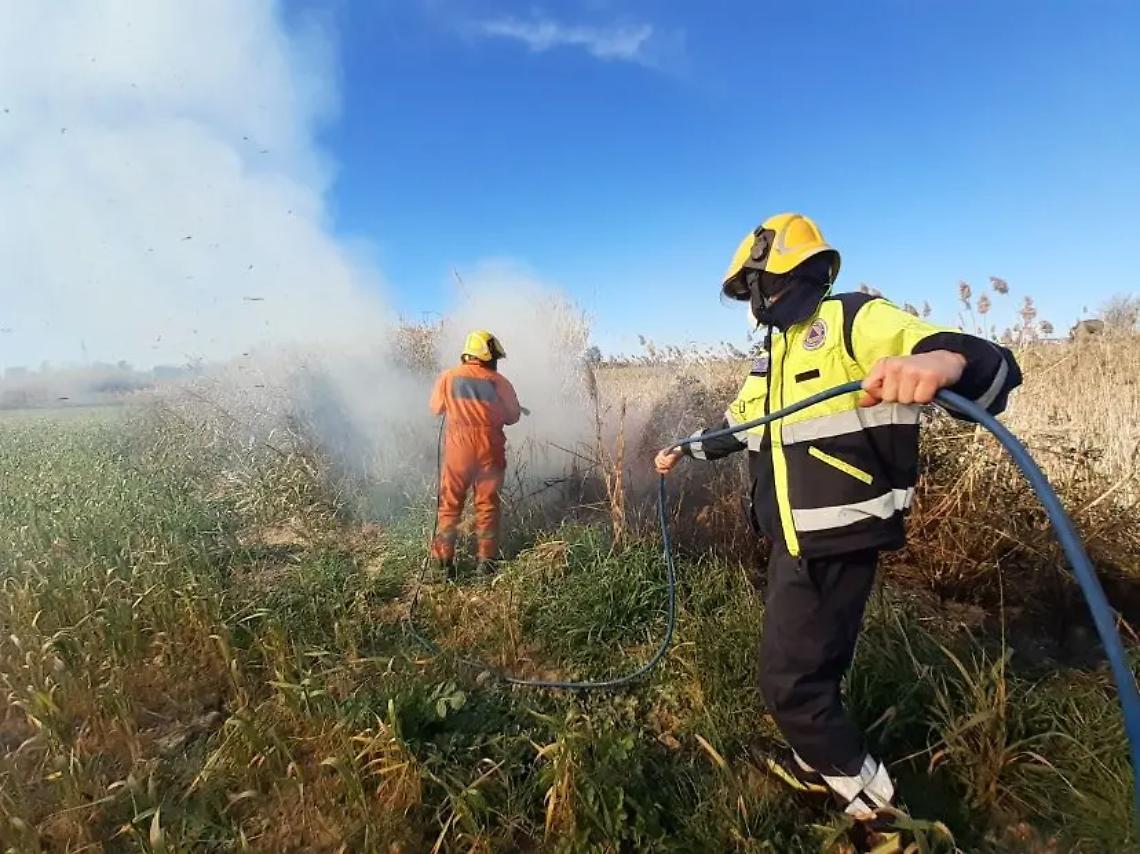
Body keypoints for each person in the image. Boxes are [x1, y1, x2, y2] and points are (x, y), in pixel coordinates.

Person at [655, 213, 1021, 847]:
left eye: (751, 288)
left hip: (836, 541)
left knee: (789, 686)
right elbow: (741, 425)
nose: (752, 303)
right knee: (810, 665)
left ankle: (883, 816)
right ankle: (814, 761)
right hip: (792, 541)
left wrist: (942, 362)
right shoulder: (773, 355)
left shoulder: (853, 319)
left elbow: (982, 362)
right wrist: (682, 449)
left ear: (774, 276)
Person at [429, 330, 522, 576]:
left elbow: (436, 408)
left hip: (458, 450)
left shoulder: (448, 377)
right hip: (489, 449)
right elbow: (513, 416)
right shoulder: (500, 382)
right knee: (487, 505)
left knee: (450, 505)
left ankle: (443, 565)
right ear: (487, 356)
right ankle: (485, 563)